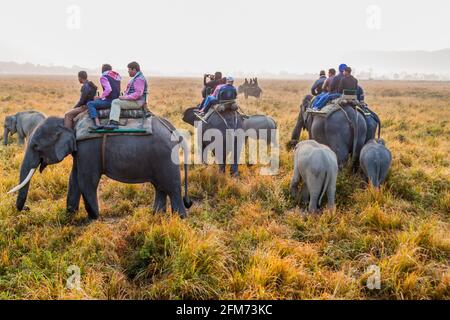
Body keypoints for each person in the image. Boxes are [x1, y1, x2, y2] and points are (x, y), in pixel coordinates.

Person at [104, 62, 148, 130]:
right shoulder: (137, 77)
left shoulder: (139, 79)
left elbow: (138, 94)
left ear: (134, 70)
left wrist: (124, 97)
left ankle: (114, 123)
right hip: (136, 100)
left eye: (129, 69)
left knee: (115, 102)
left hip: (137, 102)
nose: (128, 71)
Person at [87, 64, 122, 130]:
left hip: (109, 100)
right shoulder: (117, 77)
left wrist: (100, 97)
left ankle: (97, 124)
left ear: (102, 70)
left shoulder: (104, 77)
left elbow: (108, 89)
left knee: (90, 104)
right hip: (116, 99)